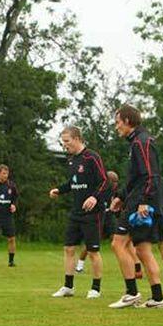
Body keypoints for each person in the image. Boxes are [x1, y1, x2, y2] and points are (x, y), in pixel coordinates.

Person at [108, 105, 163, 309]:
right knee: (142, 249)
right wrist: (120, 197)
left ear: (126, 121)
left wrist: (143, 201)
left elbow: (150, 175)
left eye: (117, 122)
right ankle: (158, 298)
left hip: (142, 202)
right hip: (139, 199)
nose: (116, 127)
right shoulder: (137, 142)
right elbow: (135, 179)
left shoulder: (141, 142)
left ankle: (132, 292)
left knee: (118, 243)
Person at [49, 126, 108, 299]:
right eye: (63, 142)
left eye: (67, 141)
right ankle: (68, 286)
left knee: (92, 251)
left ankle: (96, 288)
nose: (64, 145)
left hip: (92, 214)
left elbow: (105, 181)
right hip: (75, 212)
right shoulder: (71, 160)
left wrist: (95, 197)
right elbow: (72, 182)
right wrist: (59, 190)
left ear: (77, 138)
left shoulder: (92, 157)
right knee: (68, 248)